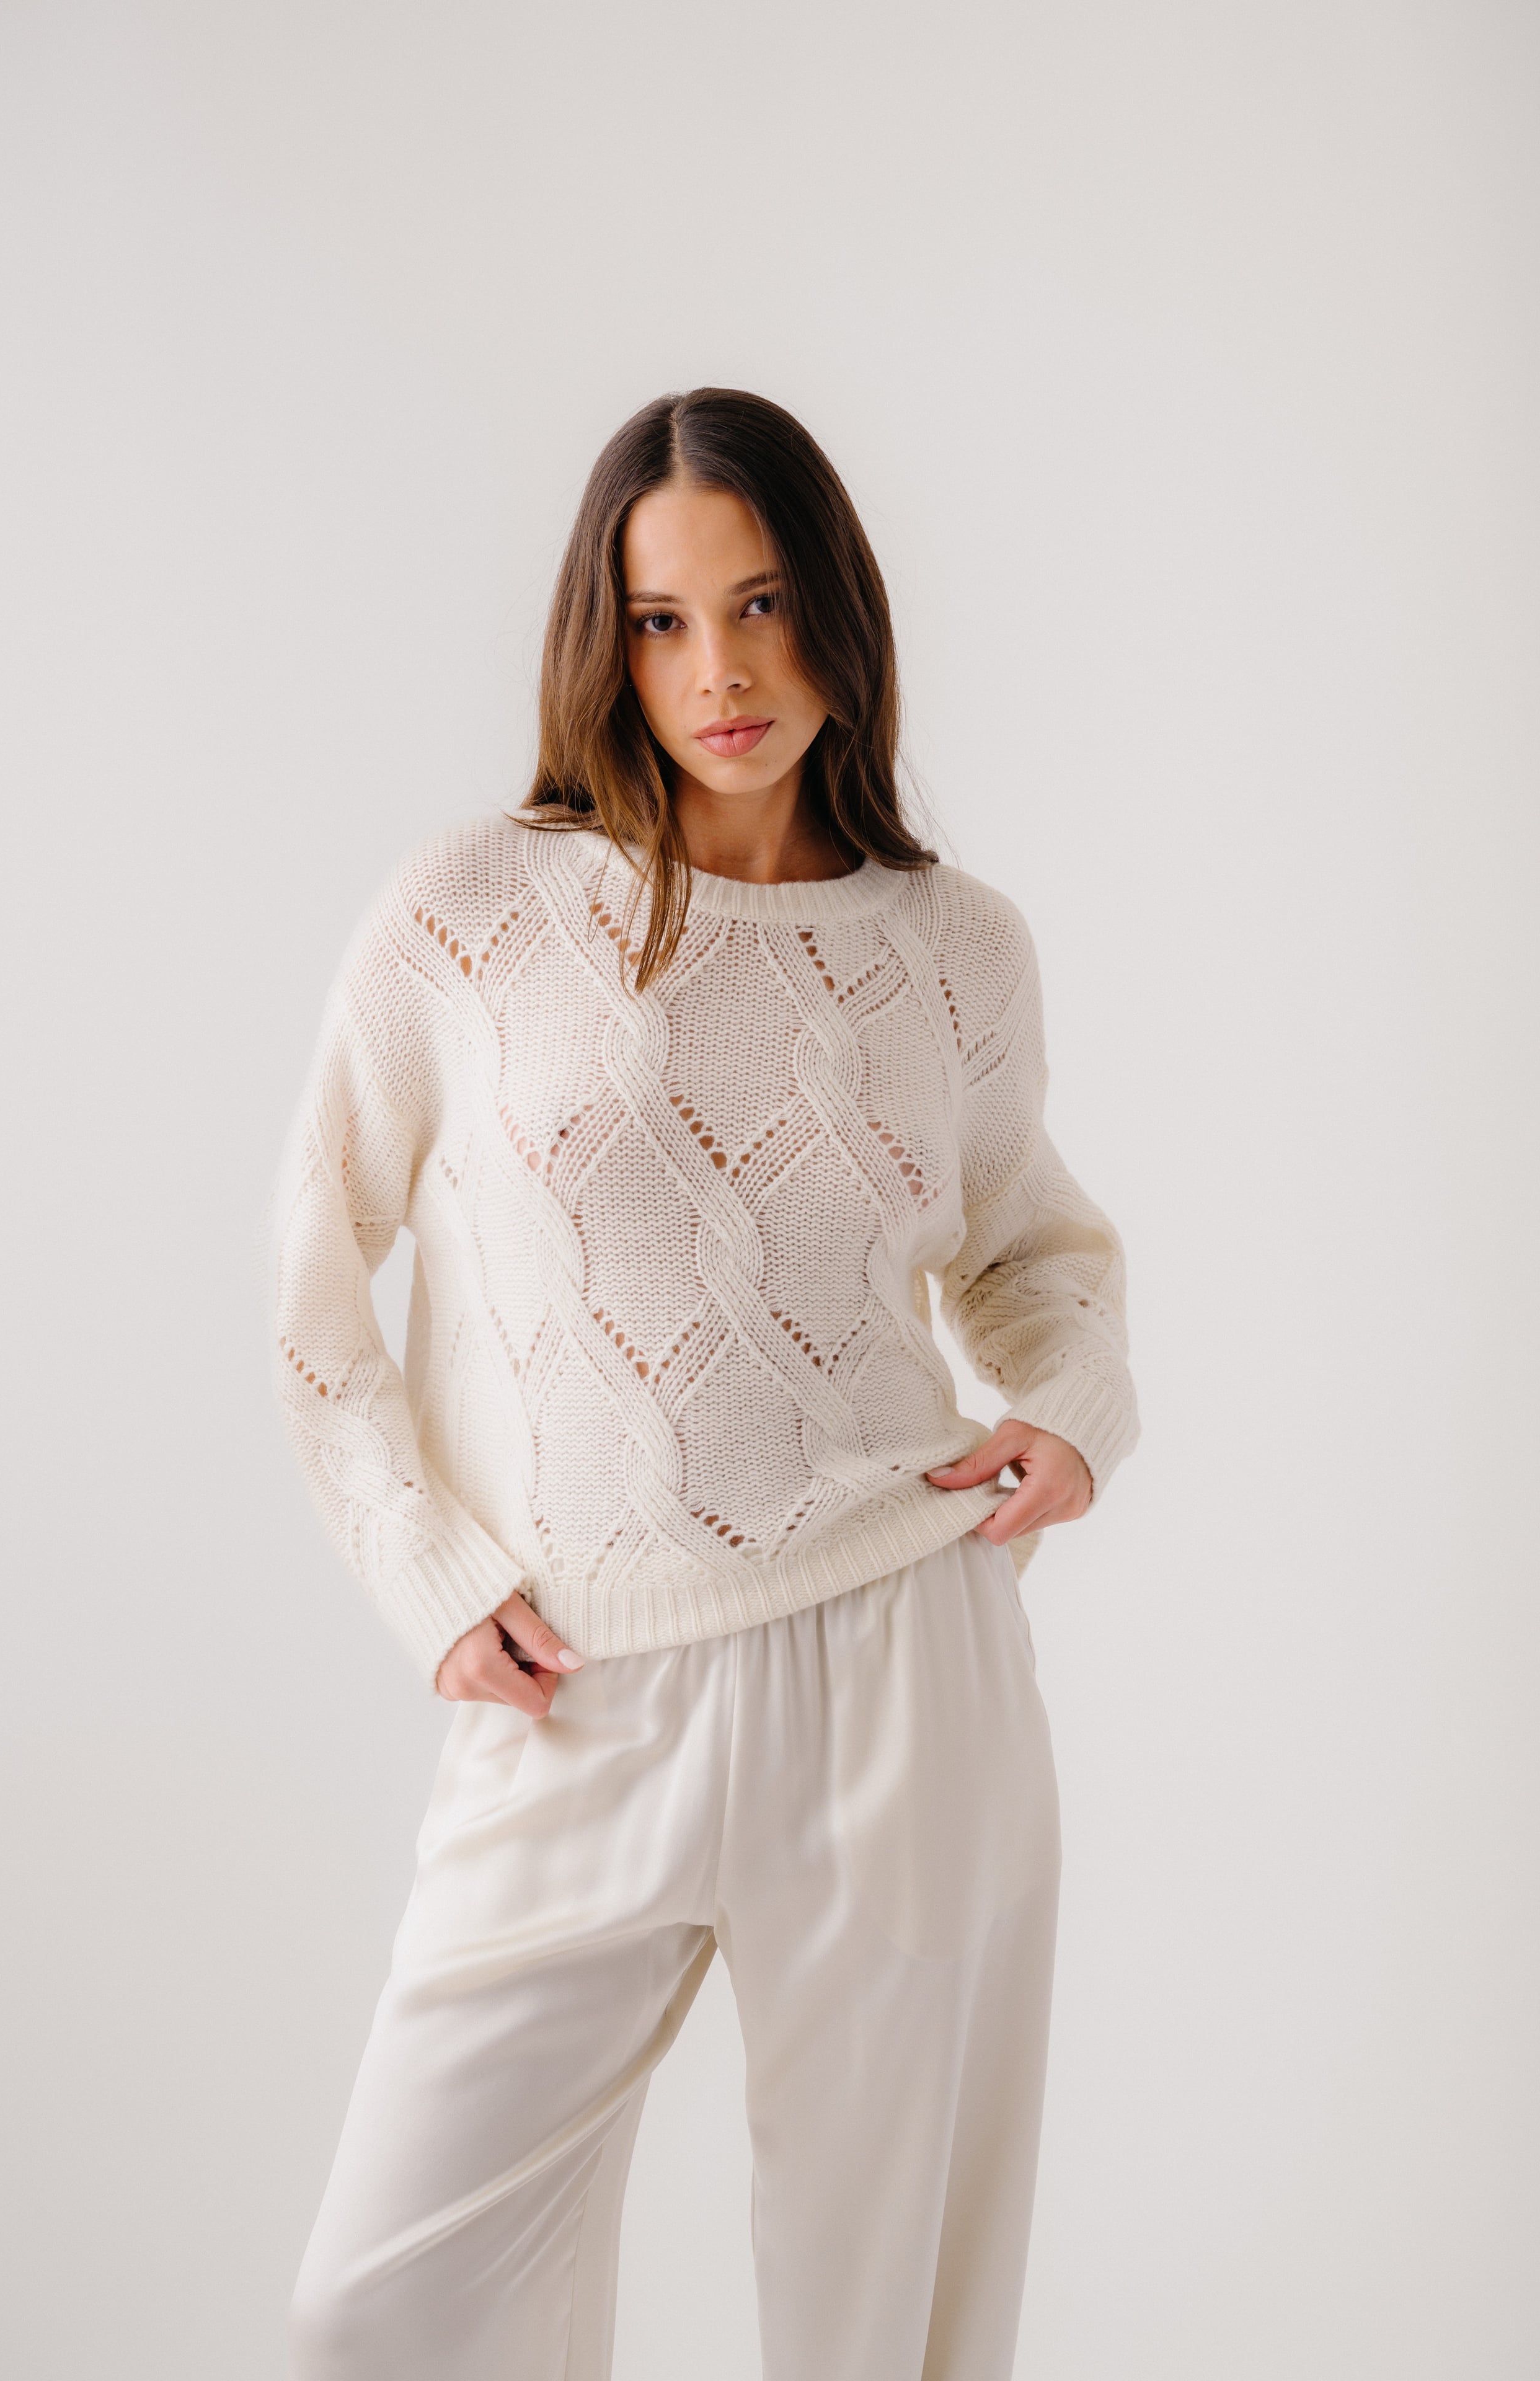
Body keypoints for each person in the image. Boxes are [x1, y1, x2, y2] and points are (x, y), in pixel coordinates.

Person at [273, 386, 1140, 2380]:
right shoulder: (471, 914)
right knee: (375, 2313)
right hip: (576, 1688)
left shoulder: (957, 949)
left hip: (902, 1666)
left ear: (836, 606)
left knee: (880, 2329)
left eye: (759, 605)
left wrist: (1073, 1419)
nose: (721, 673)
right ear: (608, 643)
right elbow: (315, 1274)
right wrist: (423, 1568)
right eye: (662, 622)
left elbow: (1038, 1256)